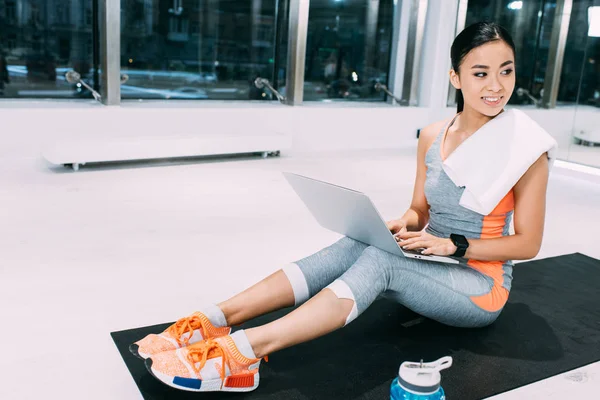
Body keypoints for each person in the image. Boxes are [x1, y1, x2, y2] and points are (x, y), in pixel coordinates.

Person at [130, 22, 550, 392]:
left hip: (481, 286)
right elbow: (418, 211)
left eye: (505, 71)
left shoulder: (527, 150)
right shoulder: (433, 136)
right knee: (357, 243)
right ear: (455, 77)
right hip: (431, 258)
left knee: (382, 264)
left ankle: (242, 354)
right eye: (481, 73)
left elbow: (527, 243)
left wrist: (455, 246)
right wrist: (399, 224)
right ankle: (212, 318)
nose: (496, 85)